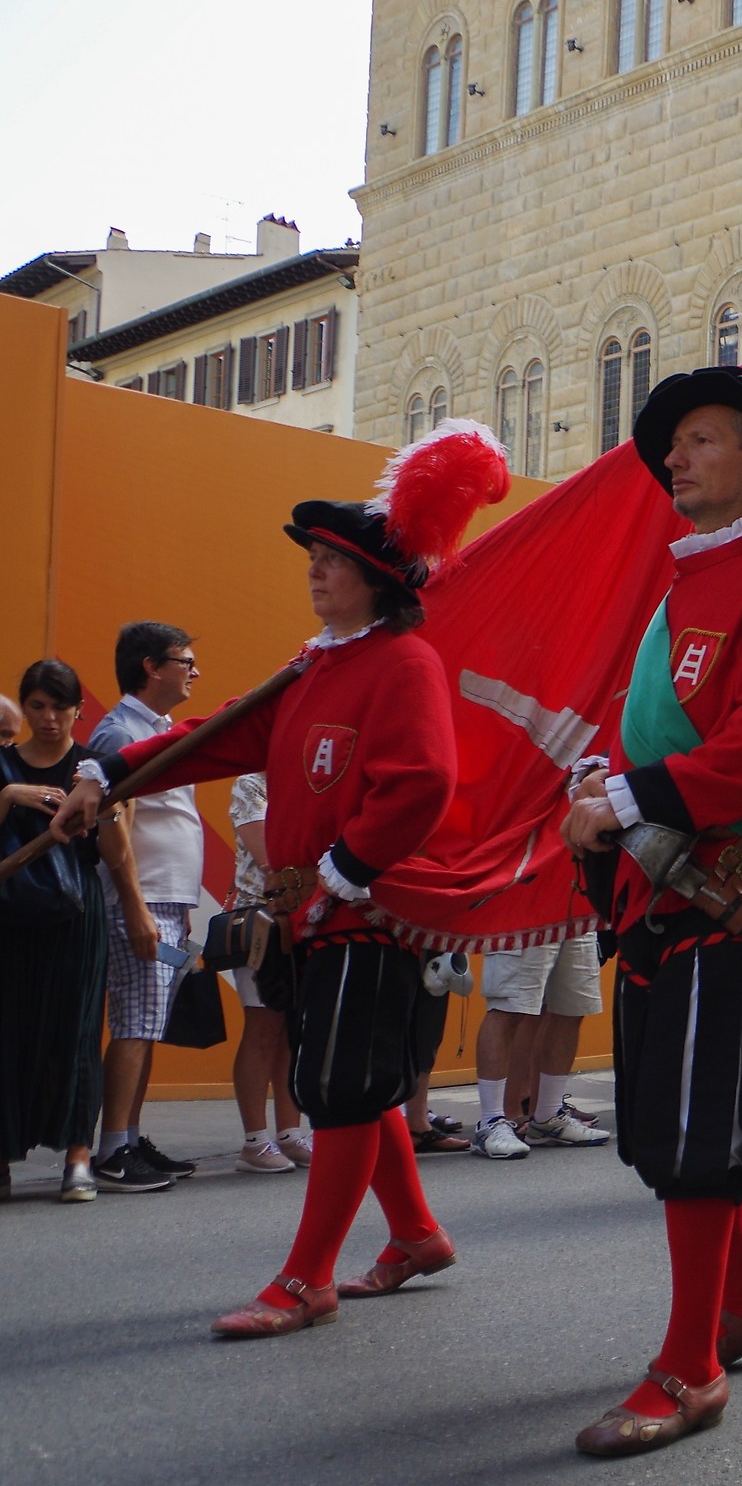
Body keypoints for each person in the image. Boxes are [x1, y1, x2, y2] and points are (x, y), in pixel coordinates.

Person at [55, 427, 509, 1335]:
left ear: (377, 577)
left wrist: (346, 868)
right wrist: (110, 773)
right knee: (352, 1082)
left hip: (367, 905)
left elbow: (422, 782)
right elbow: (220, 733)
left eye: (331, 558)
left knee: (341, 1085)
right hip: (319, 907)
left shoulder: (403, 661)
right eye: (314, 556)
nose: (314, 569)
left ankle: (309, 1278)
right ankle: (415, 1233)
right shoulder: (317, 664)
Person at [558, 366, 742, 1454]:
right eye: (672, 443)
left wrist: (625, 795)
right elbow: (657, 738)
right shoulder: (681, 589)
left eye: (702, 438)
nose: (674, 456)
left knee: (695, 1138)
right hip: (661, 884)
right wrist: (605, 780)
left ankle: (691, 1367)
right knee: (672, 1129)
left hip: (723, 893)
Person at [85, 620, 206, 1190]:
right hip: (140, 899)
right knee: (134, 1022)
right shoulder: (118, 736)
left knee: (150, 1024)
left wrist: (180, 904)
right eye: (184, 662)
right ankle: (111, 1150)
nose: (194, 673)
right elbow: (115, 832)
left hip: (166, 900)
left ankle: (130, 1137)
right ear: (151, 668)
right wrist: (134, 905)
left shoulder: (157, 727)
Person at [2, 660, 127, 1203]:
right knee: (8, 1033)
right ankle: (4, 1155)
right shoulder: (3, 766)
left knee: (75, 1034)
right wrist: (10, 799)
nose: (49, 718)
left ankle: (79, 1154)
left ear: (79, 708)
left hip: (77, 918)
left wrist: (107, 812)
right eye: (37, 706)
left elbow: (117, 858)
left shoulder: (95, 768)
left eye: (60, 706)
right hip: (10, 918)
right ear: (24, 709)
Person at [224, 772, 311, 1173]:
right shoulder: (251, 783)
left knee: (292, 1029)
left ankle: (290, 1133)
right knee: (262, 1026)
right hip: (258, 918)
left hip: (301, 917)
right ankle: (254, 1140)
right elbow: (270, 859)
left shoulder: (304, 779)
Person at [469, 932, 612, 1158]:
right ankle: (490, 1122)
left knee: (572, 1008)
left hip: (578, 910)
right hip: (526, 910)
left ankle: (548, 1117)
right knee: (507, 1006)